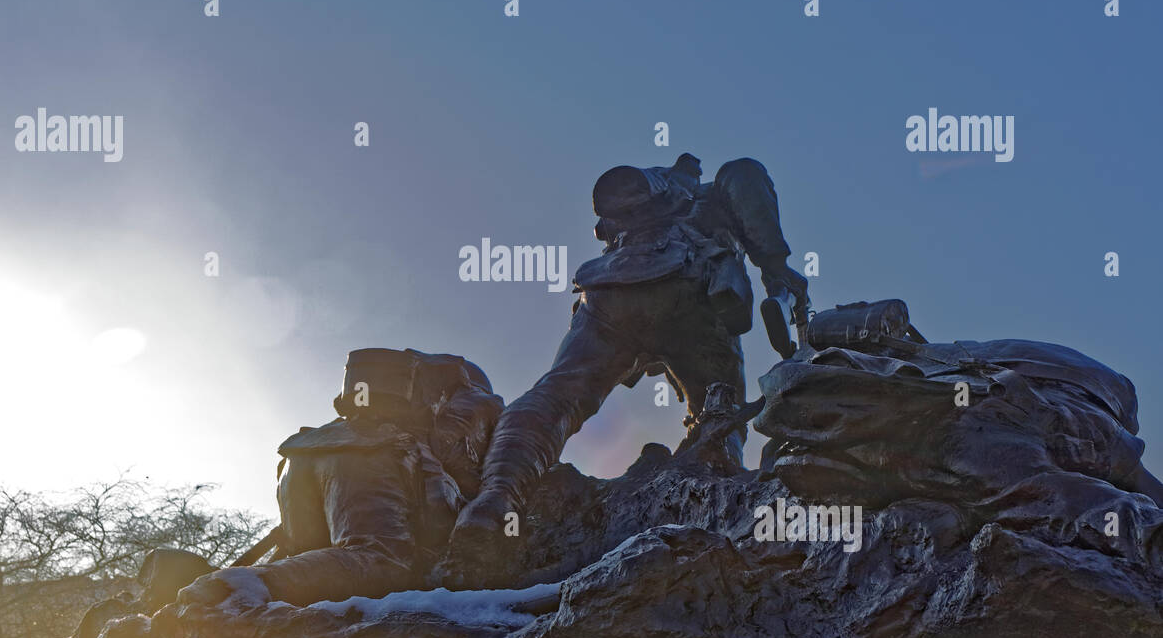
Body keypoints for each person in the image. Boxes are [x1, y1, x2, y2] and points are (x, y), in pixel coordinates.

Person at [441, 154, 807, 584]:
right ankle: (716, 517)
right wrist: (776, 268)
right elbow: (745, 177)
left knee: (555, 396)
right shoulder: (711, 195)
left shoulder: (641, 209)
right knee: (718, 415)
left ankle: (493, 503)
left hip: (610, 290)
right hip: (692, 291)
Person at [179, 348, 503, 607]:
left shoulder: (348, 422)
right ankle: (242, 587)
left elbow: (297, 545)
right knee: (382, 558)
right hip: (369, 453)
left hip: (302, 455)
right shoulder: (475, 401)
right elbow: (462, 467)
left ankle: (235, 586)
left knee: (313, 558)